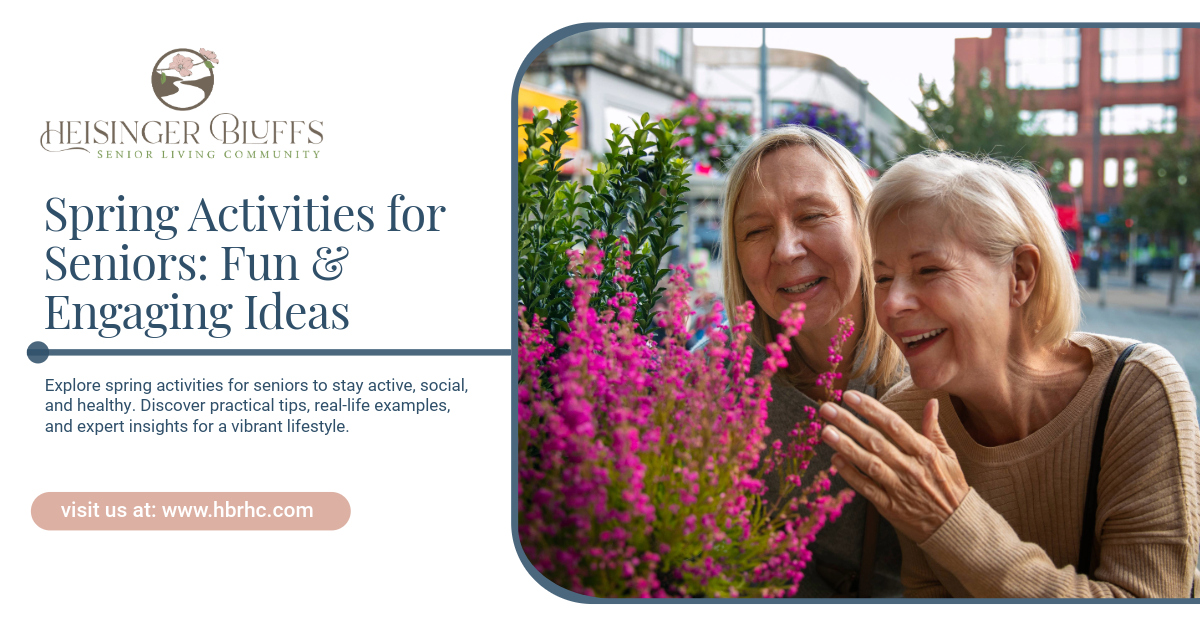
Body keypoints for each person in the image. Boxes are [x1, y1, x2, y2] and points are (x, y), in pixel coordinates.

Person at [817, 151, 1200, 597]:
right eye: (882, 278)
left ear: (1020, 274)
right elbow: (929, 598)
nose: (891, 304)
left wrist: (953, 520)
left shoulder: (1138, 390)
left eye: (929, 270)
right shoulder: (906, 415)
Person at [720, 126, 906, 596]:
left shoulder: (935, 368)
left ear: (865, 222)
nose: (785, 249)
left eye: (813, 215)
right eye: (757, 231)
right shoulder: (715, 386)